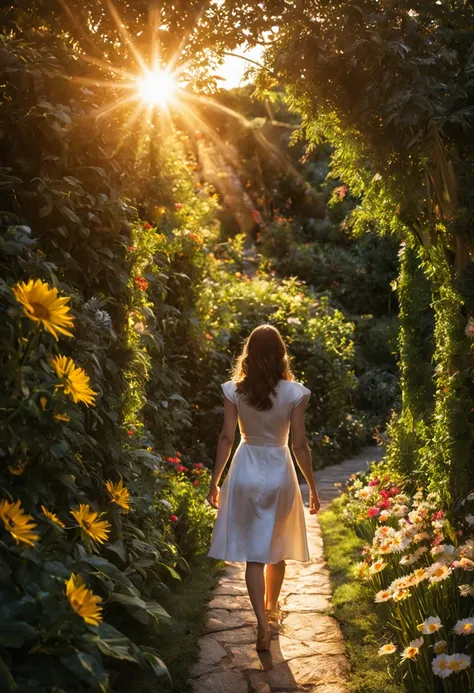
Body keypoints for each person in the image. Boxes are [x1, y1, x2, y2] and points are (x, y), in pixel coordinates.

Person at [206, 324, 321, 652]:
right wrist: (312, 487)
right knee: (276, 547)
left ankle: (260, 620)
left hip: (245, 468)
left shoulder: (234, 390)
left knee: (254, 556)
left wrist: (215, 481)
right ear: (282, 354)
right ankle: (271, 612)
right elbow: (299, 445)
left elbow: (226, 438)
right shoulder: (295, 392)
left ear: (250, 354)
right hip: (278, 471)